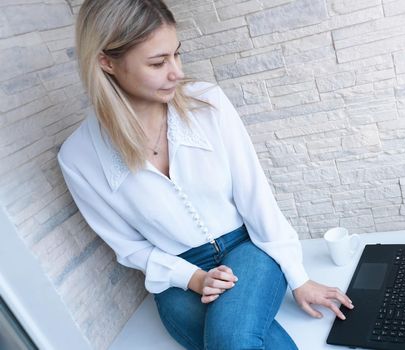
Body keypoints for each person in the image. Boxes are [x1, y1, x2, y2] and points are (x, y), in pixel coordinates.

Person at [58, 0, 354, 349]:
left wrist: (298, 276)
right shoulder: (78, 157)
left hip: (248, 248)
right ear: (106, 62)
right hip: (176, 277)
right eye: (157, 62)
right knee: (233, 341)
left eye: (176, 55)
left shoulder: (207, 104)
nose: (176, 73)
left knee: (231, 339)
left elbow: (255, 196)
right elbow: (128, 247)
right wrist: (192, 277)